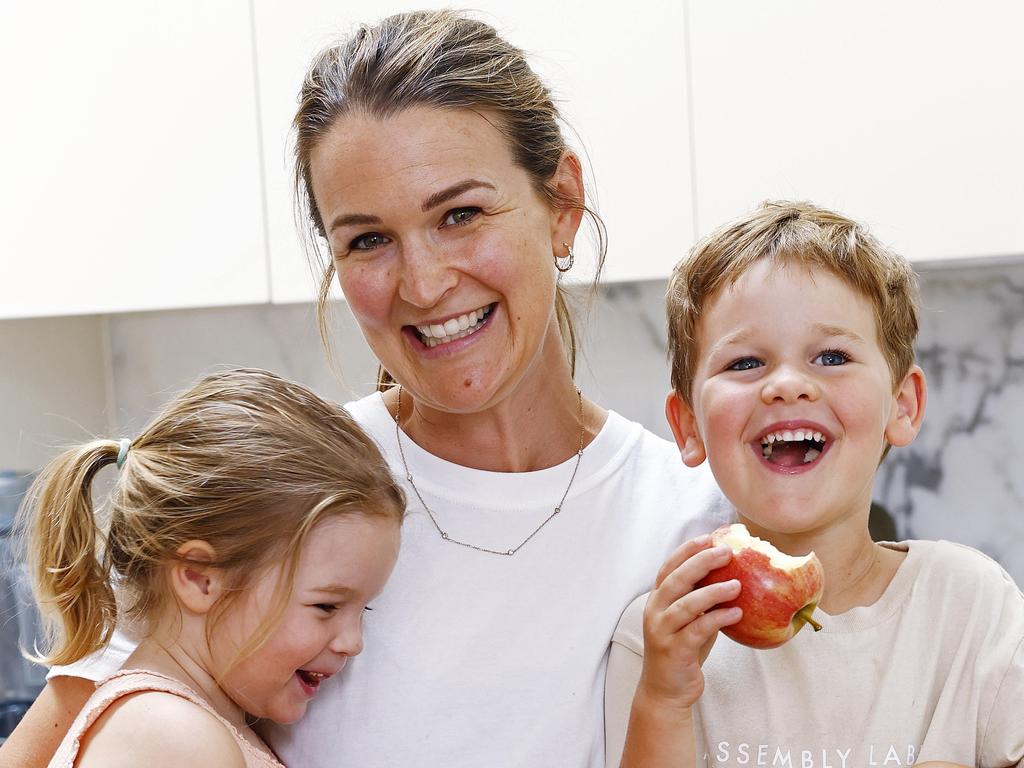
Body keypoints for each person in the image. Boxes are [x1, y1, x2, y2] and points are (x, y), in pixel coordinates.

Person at [0, 10, 732, 768]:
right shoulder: (283, 497)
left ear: (563, 204)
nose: (422, 283)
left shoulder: (692, 519)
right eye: (368, 240)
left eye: (461, 214)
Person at [605, 201, 1024, 766]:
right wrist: (664, 699)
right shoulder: (665, 637)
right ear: (687, 425)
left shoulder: (969, 603)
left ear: (901, 405)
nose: (787, 385)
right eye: (746, 363)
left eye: (831, 355)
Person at [13, 368, 403, 767]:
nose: (353, 643)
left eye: (364, 608)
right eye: (327, 607)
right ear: (199, 578)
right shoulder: (170, 736)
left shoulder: (199, 726)